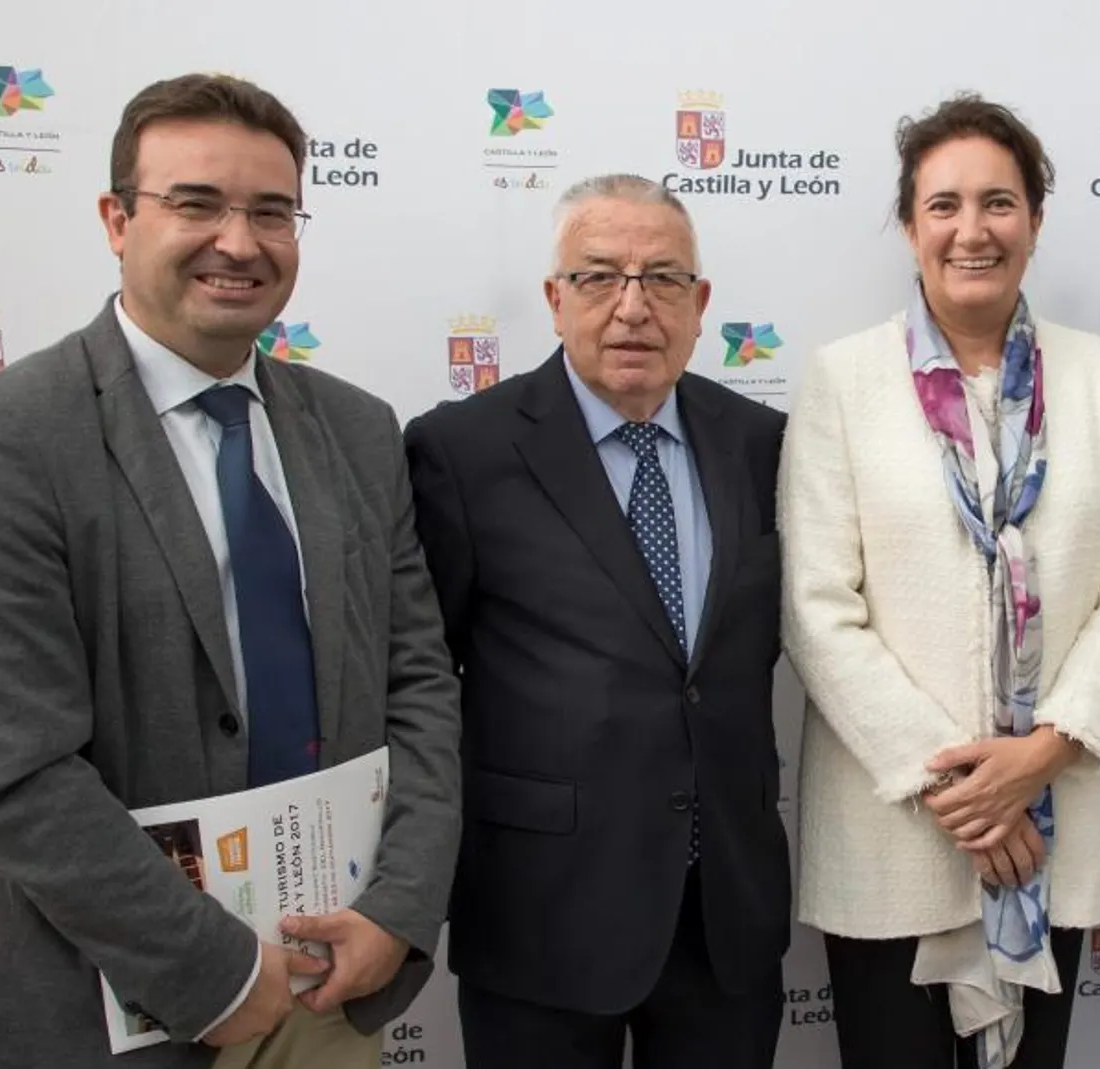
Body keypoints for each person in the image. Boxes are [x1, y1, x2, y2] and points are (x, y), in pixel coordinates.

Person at [0, 73, 462, 1069]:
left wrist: (397, 909)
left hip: (333, 988)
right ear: (116, 218)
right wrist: (217, 971)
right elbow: (10, 773)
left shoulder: (359, 430)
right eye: (195, 203)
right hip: (112, 1005)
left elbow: (421, 692)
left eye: (272, 211)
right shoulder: (1, 441)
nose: (239, 241)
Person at [779, 93, 1100, 1069]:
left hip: (1055, 824)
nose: (972, 229)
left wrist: (1039, 756)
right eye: (944, 204)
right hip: (899, 834)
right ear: (910, 225)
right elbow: (818, 608)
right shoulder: (841, 381)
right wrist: (962, 785)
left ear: (1034, 221)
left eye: (998, 203)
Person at [404, 174, 789, 1069]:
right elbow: (424, 679)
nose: (632, 307)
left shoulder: (762, 444)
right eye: (598, 277)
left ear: (700, 306)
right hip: (543, 915)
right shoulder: (462, 451)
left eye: (661, 279)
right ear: (553, 299)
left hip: (724, 912)